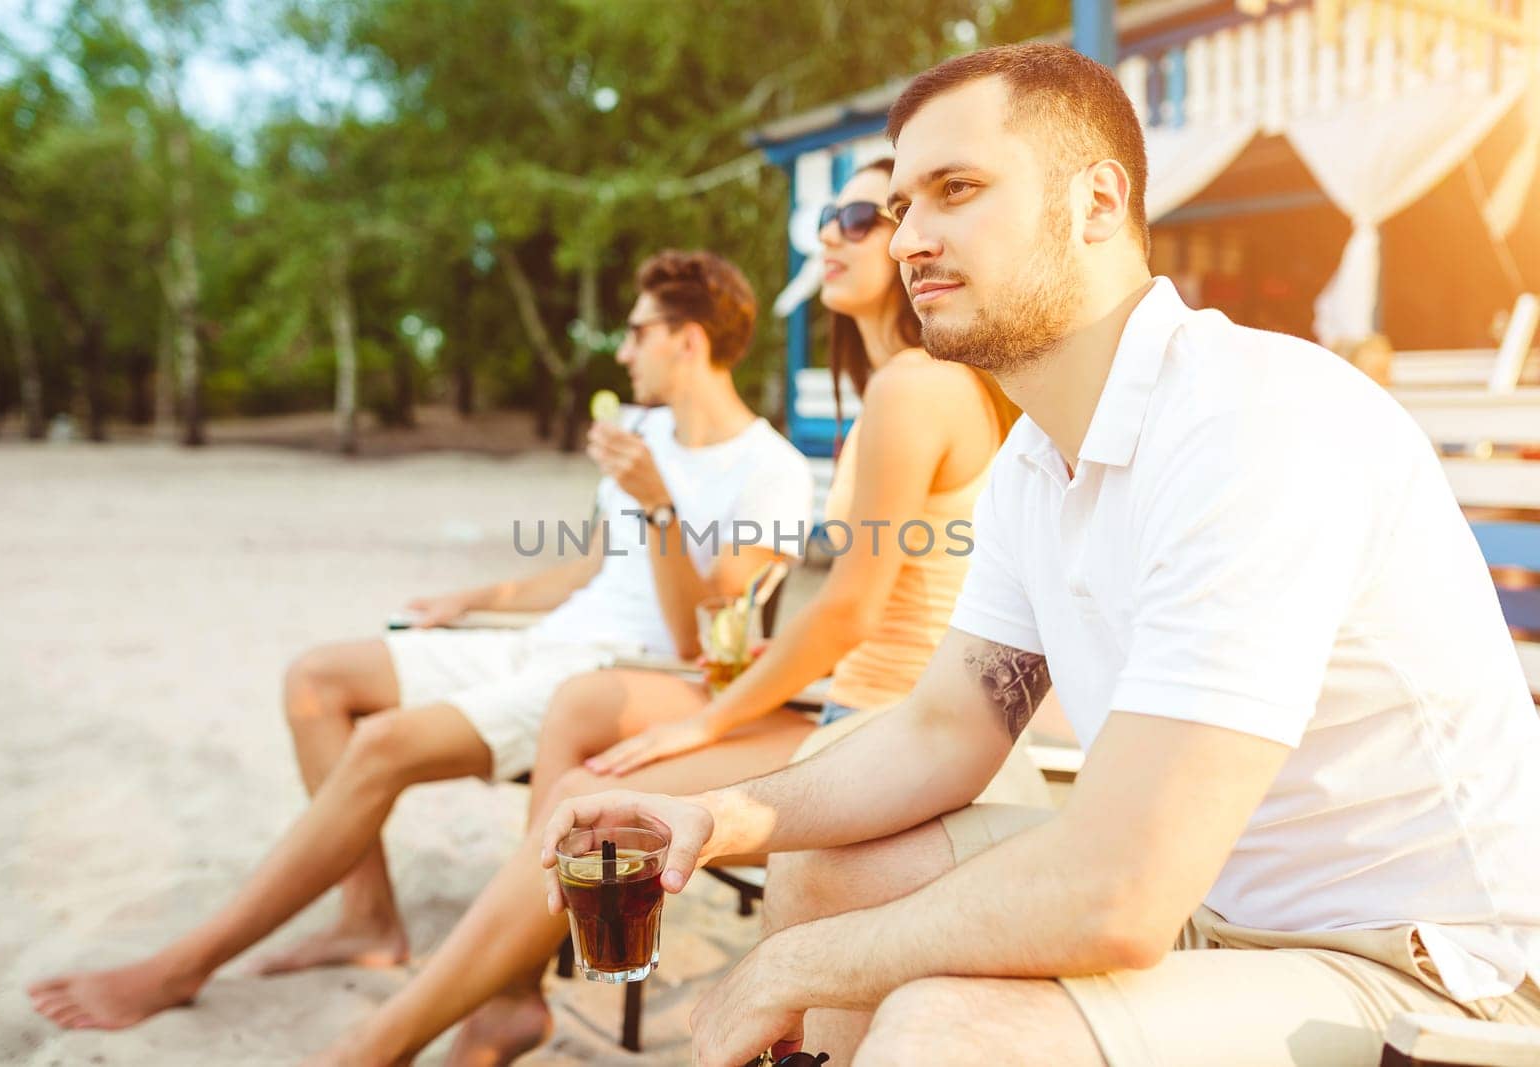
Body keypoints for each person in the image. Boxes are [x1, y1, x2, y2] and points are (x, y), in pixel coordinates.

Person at [540, 44, 1540, 1067]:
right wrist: (712, 816)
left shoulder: (1251, 417)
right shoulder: (1035, 457)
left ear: (1096, 201)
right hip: (1213, 907)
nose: (909, 239)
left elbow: (1118, 889)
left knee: (946, 1028)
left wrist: (796, 968)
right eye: (899, 210)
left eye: (955, 191)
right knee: (823, 875)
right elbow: (943, 726)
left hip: (1427, 972)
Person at [299, 158, 1046, 1067]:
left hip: (887, 719)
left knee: (586, 796)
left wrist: (704, 722)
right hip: (849, 699)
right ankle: (508, 989)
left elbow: (848, 612)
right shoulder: (887, 389)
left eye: (868, 214)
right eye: (841, 216)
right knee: (582, 704)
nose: (838, 235)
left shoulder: (916, 386)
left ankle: (380, 1044)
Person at [26, 249, 815, 1032]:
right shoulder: (642, 429)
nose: (622, 349)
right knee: (317, 678)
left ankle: (184, 963)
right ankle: (367, 919)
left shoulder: (770, 469)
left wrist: (661, 501)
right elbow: (598, 566)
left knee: (383, 743)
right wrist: (478, 598)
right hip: (549, 639)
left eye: (637, 331)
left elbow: (701, 632)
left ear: (688, 339)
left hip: (624, 674)